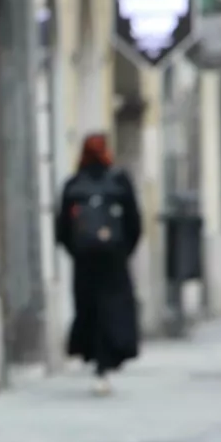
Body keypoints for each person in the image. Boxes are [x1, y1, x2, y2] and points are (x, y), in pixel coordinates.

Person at [55, 133, 142, 395]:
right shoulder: (119, 182)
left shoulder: (73, 185)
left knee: (90, 310)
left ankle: (96, 361)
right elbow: (135, 224)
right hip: (114, 261)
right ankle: (107, 361)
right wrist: (122, 250)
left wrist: (79, 252)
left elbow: (61, 230)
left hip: (85, 263)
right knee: (114, 311)